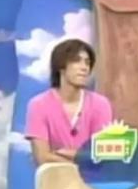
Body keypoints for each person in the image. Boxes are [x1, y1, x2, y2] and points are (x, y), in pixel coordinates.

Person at [25, 38, 113, 166]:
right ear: (61, 67)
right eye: (77, 61)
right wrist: (80, 160)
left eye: (87, 63)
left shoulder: (100, 105)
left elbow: (101, 157)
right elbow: (42, 158)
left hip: (91, 179)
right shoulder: (38, 105)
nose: (84, 68)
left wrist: (64, 154)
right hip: (54, 177)